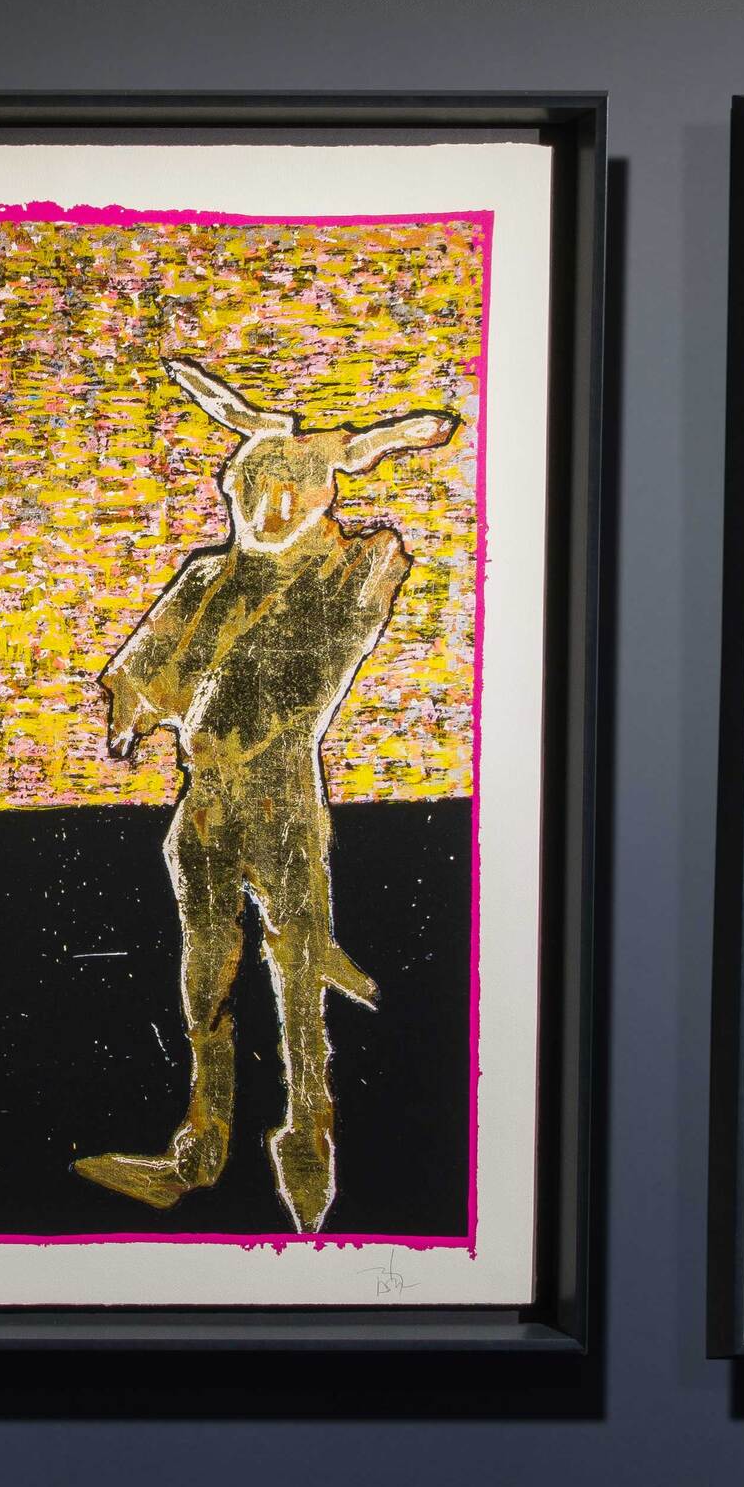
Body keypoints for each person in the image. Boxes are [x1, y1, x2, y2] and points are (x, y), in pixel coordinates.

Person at [72, 358, 455, 1237]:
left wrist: (367, 442)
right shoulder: (212, 577)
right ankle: (200, 1147)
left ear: (320, 496)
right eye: (252, 491)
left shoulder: (357, 568)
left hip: (281, 799)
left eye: (288, 493)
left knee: (294, 977)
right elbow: (148, 668)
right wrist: (133, 705)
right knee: (205, 976)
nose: (267, 509)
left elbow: (302, 679)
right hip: (205, 806)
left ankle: (308, 1136)